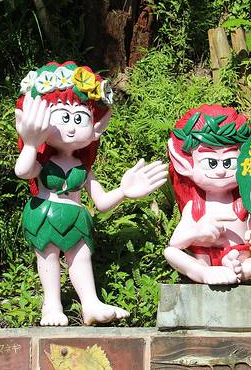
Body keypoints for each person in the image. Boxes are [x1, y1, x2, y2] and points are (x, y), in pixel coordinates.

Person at [15, 61, 167, 325]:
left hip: (77, 218)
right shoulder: (43, 161)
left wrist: (124, 191)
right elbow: (23, 170)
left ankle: (91, 304)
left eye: (79, 118)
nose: (71, 127)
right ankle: (51, 305)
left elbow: (102, 202)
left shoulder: (83, 168)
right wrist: (30, 143)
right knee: (48, 257)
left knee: (81, 258)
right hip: (44, 214)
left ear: (96, 128)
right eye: (63, 117)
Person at [164, 104, 251, 284]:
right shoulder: (195, 206)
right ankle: (204, 273)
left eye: (229, 162)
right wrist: (196, 233)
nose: (220, 171)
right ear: (185, 165)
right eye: (210, 163)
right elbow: (176, 242)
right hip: (204, 261)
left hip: (241, 258)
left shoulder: (246, 202)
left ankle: (239, 272)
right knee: (171, 253)